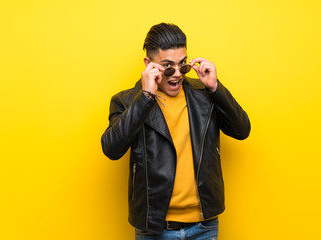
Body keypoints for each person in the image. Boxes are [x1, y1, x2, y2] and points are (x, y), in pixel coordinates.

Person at [101, 23, 251, 240]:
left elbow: (242, 129)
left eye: (183, 65)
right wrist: (144, 98)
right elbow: (111, 149)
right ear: (149, 64)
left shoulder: (204, 94)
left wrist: (215, 87)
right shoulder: (126, 101)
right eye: (168, 67)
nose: (177, 74)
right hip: (154, 227)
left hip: (204, 226)